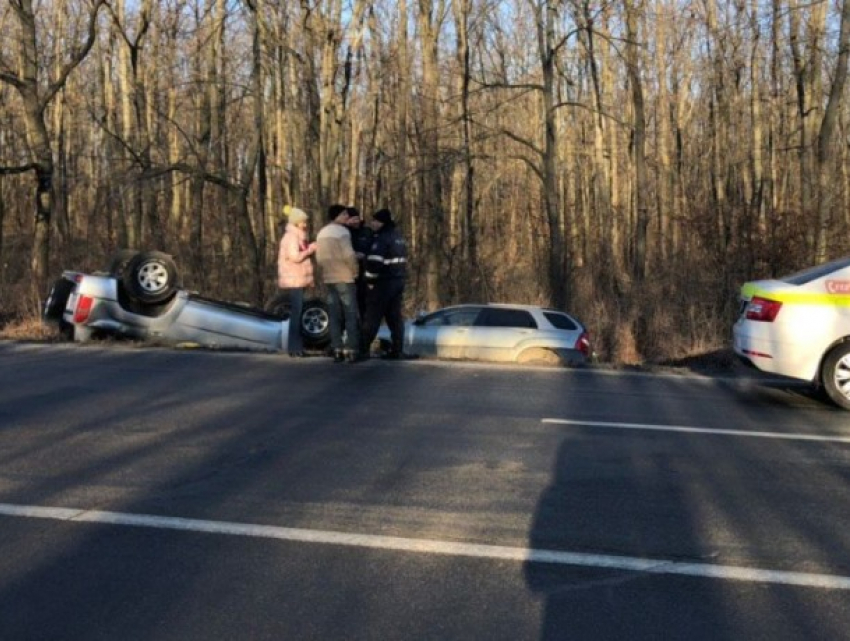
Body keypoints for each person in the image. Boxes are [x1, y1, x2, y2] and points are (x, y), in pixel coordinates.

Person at [360, 208, 416, 359]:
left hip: (383, 283)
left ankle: (362, 349)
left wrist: (370, 280)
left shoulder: (381, 239)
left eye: (374, 221)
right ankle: (397, 349)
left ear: (381, 222)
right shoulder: (398, 237)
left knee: (373, 316)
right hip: (398, 282)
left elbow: (375, 263)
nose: (372, 223)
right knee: (395, 318)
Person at [315, 203, 362, 363]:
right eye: (344, 214)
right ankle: (352, 348)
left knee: (334, 314)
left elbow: (319, 258)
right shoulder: (342, 232)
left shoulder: (321, 233)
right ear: (336, 216)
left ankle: (336, 347)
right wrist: (355, 271)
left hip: (329, 278)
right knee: (350, 313)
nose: (347, 217)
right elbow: (348, 255)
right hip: (344, 277)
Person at [277, 206, 317, 357]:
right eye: (302, 222)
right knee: (297, 313)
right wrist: (311, 249)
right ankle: (294, 347)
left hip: (298, 279)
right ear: (295, 222)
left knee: (297, 312)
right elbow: (295, 257)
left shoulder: (299, 236)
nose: (305, 225)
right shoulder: (292, 237)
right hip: (295, 279)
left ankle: (296, 347)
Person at [344, 206, 373, 319]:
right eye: (352, 219)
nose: (355, 221)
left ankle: (364, 325)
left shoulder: (367, 231)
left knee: (364, 300)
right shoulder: (344, 232)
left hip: (365, 271)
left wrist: (366, 256)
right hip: (348, 271)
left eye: (357, 218)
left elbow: (373, 247)